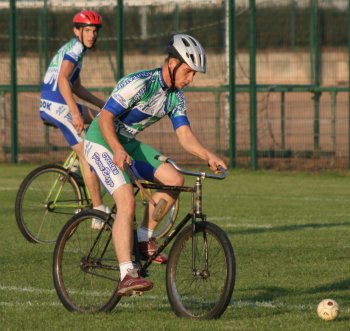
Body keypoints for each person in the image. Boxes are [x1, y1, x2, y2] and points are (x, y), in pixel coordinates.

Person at [84, 34, 227, 296]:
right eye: (187, 71)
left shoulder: (176, 98)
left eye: (194, 74)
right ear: (172, 63)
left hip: (127, 143)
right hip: (101, 140)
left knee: (175, 180)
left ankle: (142, 237)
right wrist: (116, 148)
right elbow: (104, 118)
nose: (190, 79)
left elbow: (184, 136)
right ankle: (127, 274)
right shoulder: (139, 83)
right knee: (125, 198)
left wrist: (208, 155)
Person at [39, 10, 108, 225]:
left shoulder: (73, 48)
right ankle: (98, 213)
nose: (92, 35)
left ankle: (76, 169)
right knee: (89, 156)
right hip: (58, 106)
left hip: (55, 104)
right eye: (87, 30)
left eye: (95, 31)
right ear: (76, 30)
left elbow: (75, 86)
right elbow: (62, 80)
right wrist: (76, 113)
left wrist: (103, 105)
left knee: (103, 118)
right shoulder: (76, 48)